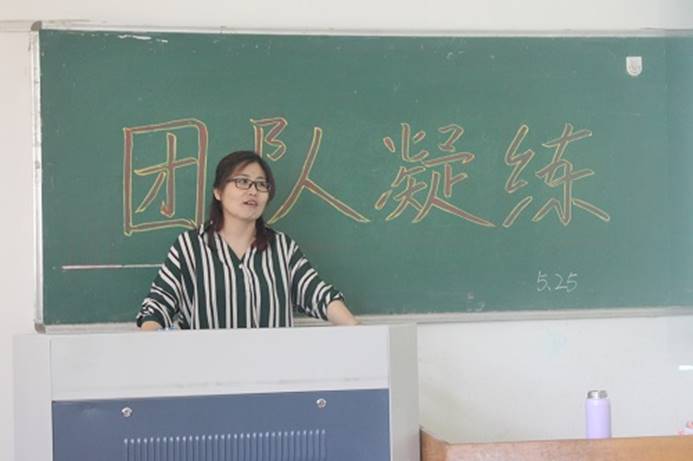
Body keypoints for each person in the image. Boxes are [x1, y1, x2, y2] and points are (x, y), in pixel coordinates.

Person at [137, 150, 358, 330]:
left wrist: (356, 330)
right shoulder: (189, 247)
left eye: (261, 184)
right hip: (207, 367)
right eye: (242, 181)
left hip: (273, 367)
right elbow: (157, 306)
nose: (253, 191)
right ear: (218, 191)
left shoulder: (282, 248)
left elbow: (319, 295)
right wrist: (148, 347)